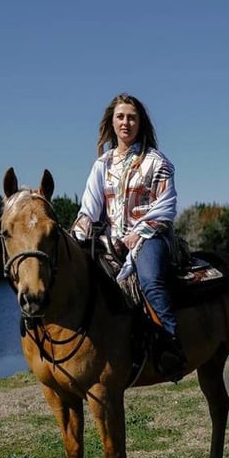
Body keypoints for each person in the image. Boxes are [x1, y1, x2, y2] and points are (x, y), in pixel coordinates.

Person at [73, 93, 186, 377]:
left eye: (132, 117)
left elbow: (165, 207)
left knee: (150, 279)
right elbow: (90, 207)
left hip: (151, 237)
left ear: (141, 123)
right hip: (111, 240)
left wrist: (139, 234)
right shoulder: (102, 165)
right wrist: (77, 234)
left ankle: (170, 346)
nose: (126, 122)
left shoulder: (157, 162)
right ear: (111, 123)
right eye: (120, 117)